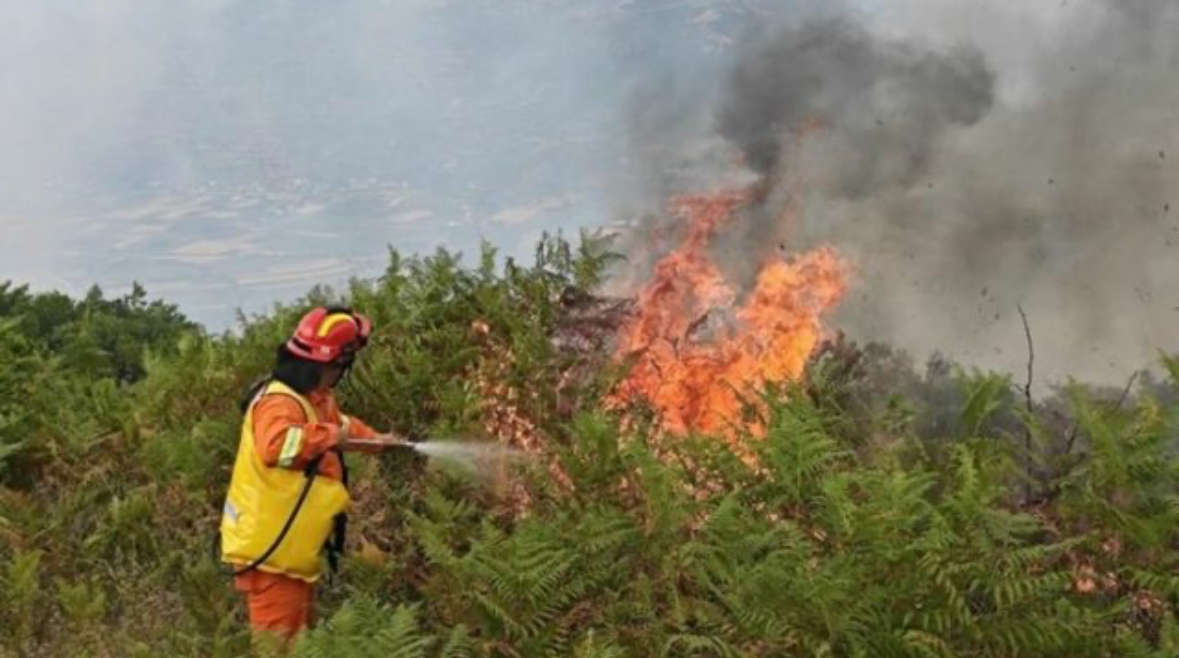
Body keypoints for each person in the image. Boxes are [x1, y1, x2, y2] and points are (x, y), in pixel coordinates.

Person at [219, 306, 406, 645]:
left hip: (291, 552)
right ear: (332, 363)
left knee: (300, 645)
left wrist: (379, 442)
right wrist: (331, 437)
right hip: (271, 555)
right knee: (280, 649)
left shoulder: (314, 398)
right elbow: (276, 447)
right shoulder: (279, 403)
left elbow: (342, 426)